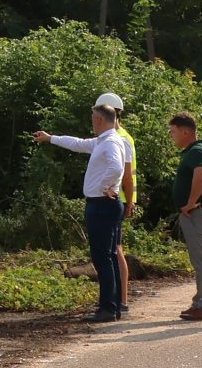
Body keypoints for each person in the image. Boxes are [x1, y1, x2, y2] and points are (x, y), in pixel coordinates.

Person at [34, 92, 139, 323]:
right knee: (109, 256)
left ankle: (108, 308)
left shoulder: (111, 142)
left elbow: (116, 168)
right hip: (104, 205)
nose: (91, 121)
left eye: (93, 117)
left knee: (102, 258)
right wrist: (51, 138)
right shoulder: (106, 140)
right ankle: (113, 307)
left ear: (100, 119)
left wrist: (106, 186)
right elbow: (77, 144)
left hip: (102, 205)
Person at [168, 113, 202, 322]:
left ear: (185, 131)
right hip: (194, 213)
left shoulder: (197, 152)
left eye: (173, 131)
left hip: (197, 213)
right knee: (200, 260)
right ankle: (200, 304)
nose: (172, 136)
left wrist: (190, 202)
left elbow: (201, 176)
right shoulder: (193, 151)